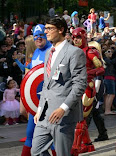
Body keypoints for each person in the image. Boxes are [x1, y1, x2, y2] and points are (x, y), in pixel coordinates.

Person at [31, 17, 87, 156]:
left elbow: (79, 84)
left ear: (61, 30)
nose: (46, 32)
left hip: (63, 115)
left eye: (50, 29)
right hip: (44, 114)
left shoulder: (74, 52)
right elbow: (47, 84)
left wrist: (63, 108)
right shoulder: (49, 53)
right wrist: (39, 109)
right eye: (46, 29)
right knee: (36, 151)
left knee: (63, 153)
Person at [21, 24, 54, 156]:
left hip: (51, 102)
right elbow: (32, 78)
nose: (38, 39)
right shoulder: (35, 52)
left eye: (41, 36)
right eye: (36, 36)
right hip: (36, 104)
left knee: (52, 139)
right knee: (30, 135)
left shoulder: (53, 50)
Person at [71, 28, 105, 155]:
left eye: (78, 37)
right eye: (74, 37)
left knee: (80, 118)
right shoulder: (72, 51)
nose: (75, 40)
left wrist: (87, 73)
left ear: (84, 37)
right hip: (74, 87)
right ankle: (88, 145)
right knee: (78, 117)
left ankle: (75, 147)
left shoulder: (90, 52)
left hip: (87, 87)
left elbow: (101, 69)